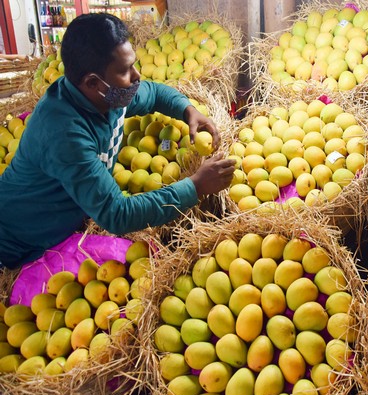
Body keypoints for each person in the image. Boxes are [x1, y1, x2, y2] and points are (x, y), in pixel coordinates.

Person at [0, 13, 235, 270]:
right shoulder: (65, 132)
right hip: (19, 244)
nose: (136, 76)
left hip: (61, 226)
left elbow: (154, 92)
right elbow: (116, 213)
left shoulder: (109, 94)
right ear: (92, 82)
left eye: (133, 65)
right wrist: (196, 187)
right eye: (125, 70)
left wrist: (187, 109)